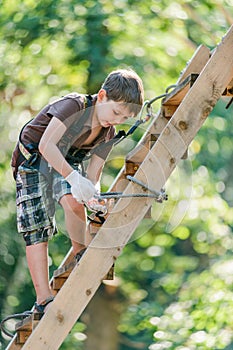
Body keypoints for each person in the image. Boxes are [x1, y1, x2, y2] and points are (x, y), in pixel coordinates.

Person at [11, 68, 144, 314]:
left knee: (74, 201)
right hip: (33, 161)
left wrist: (93, 195)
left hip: (66, 161)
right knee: (37, 229)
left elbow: (94, 173)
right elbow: (46, 145)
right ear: (102, 96)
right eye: (115, 112)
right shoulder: (73, 106)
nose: (115, 121)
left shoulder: (108, 133)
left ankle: (80, 251)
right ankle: (43, 299)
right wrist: (73, 177)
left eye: (121, 119)